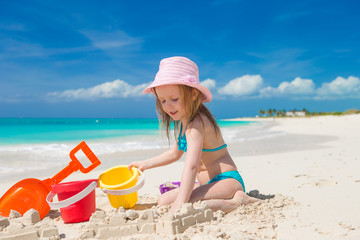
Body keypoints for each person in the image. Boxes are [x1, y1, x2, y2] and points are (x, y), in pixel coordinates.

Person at [128, 56, 258, 213]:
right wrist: (146, 164)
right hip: (207, 185)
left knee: (195, 205)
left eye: (174, 99)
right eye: (162, 101)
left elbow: (191, 166)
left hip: (226, 181)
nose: (168, 106)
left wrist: (180, 203)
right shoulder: (183, 122)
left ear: (194, 94)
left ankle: (237, 201)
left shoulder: (196, 125)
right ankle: (225, 199)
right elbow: (174, 154)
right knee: (163, 201)